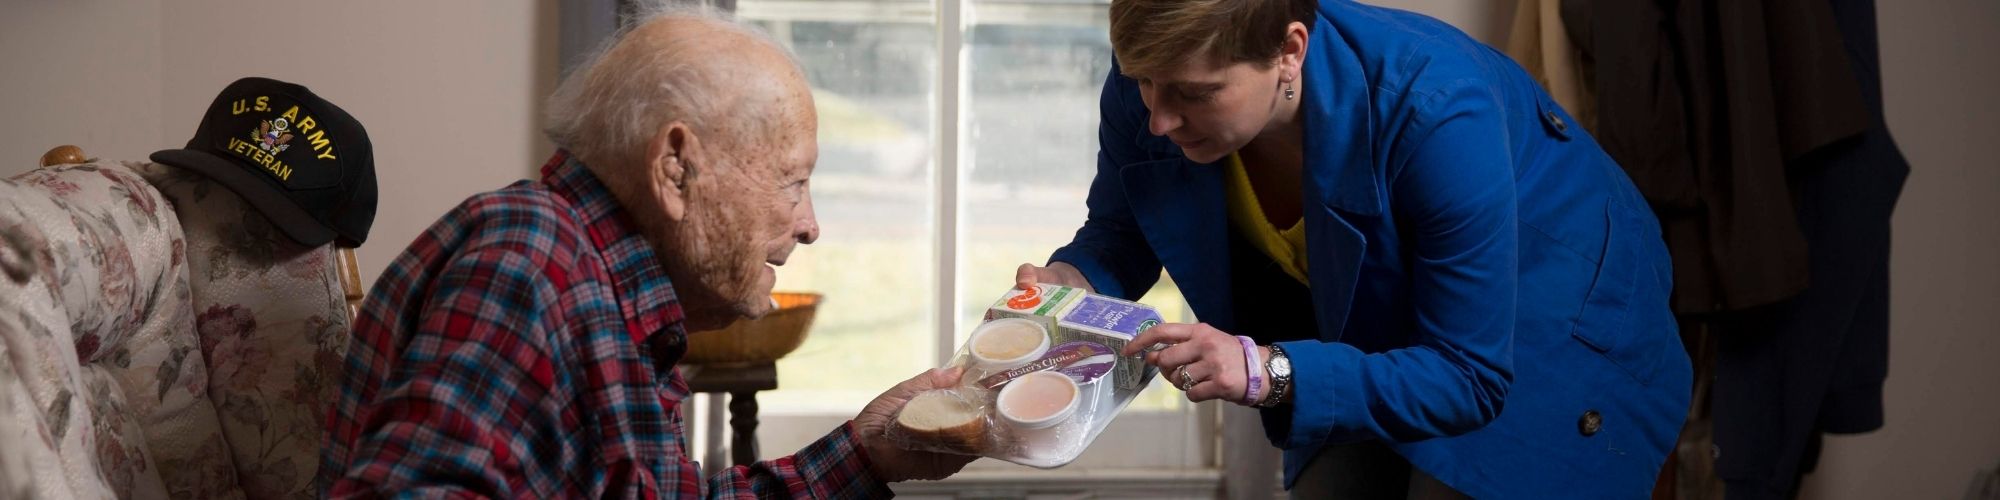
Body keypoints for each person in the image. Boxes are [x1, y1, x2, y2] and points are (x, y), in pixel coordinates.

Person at [1014, 0, 1692, 497]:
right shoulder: (1162, 75)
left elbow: (1470, 374)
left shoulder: (1436, 109)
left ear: (1290, 50)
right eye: (1142, 84)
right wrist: (1067, 283)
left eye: (1193, 94)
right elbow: (1124, 229)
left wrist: (1266, 372)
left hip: (1547, 312)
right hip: (1378, 308)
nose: (1157, 118)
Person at [320, 8, 972, 498]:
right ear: (674, 169)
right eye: (792, 181)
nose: (810, 225)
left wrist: (870, 450)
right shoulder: (529, 260)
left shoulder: (600, 283)